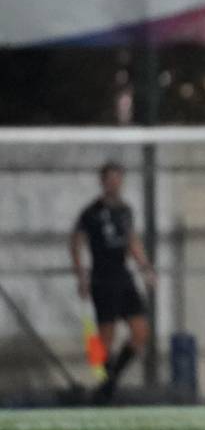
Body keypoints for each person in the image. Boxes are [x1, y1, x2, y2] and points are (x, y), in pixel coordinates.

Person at [70, 161, 157, 403]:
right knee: (105, 339)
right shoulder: (91, 213)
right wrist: (81, 276)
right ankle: (105, 387)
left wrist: (146, 268)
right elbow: (76, 244)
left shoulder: (126, 210)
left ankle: (109, 384)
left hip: (123, 276)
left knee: (140, 332)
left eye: (118, 178)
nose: (114, 183)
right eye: (110, 179)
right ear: (103, 182)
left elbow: (132, 241)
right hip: (102, 277)